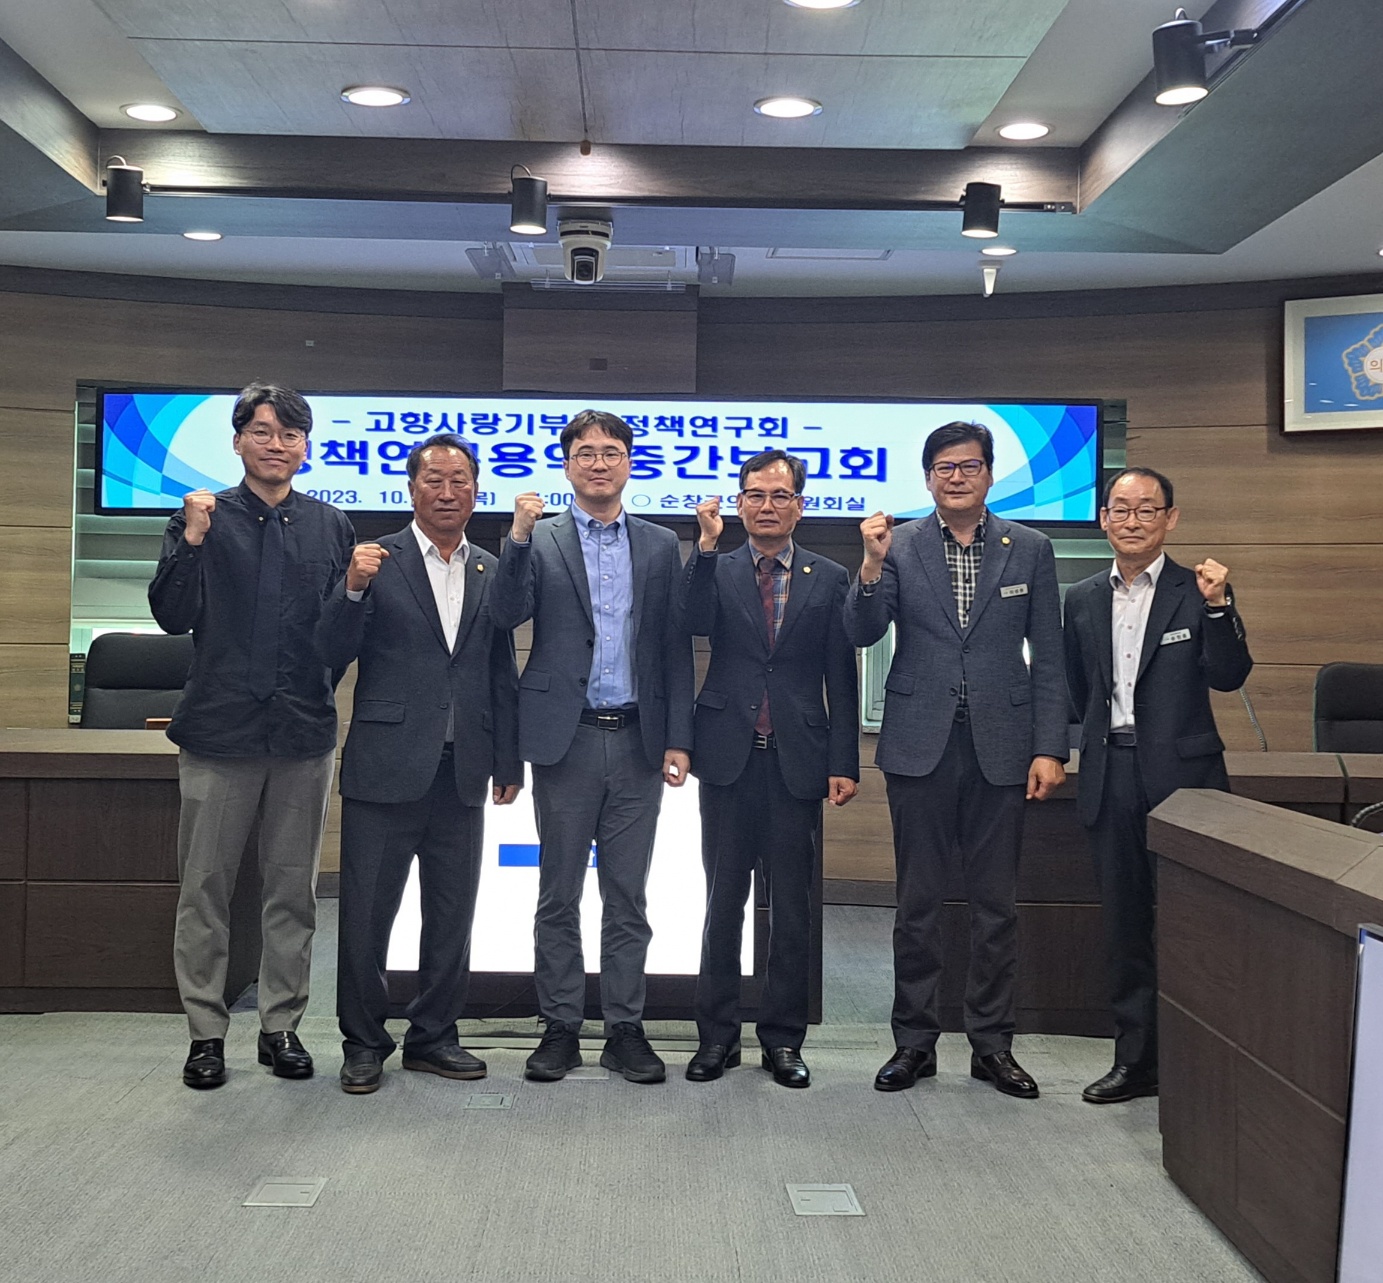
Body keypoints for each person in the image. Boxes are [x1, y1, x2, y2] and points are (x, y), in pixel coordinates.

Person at [843, 421, 1068, 1099]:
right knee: (918, 903)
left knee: (995, 905)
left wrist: (1049, 746)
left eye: (969, 466)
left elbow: (1049, 656)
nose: (957, 477)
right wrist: (870, 565)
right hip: (920, 743)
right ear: (928, 478)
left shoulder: (1029, 547)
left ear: (989, 474)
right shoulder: (900, 544)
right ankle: (913, 1041)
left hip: (1003, 746)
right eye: (944, 467)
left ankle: (991, 1044)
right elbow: (862, 631)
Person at [149, 381, 354, 1090]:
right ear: (238, 441)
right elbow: (171, 616)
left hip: (302, 732)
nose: (276, 445)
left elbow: (340, 633)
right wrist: (192, 540)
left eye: (290, 434)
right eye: (262, 432)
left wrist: (318, 682)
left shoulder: (332, 525)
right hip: (220, 730)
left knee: (292, 889)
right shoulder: (202, 517)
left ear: (306, 447)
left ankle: (280, 1026)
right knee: (205, 889)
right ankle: (205, 1034)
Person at [490, 409, 694, 1085]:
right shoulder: (540, 537)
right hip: (566, 738)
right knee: (558, 894)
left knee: (627, 896)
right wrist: (516, 538)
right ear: (568, 464)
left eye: (611, 452)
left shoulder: (659, 544)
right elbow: (505, 613)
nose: (599, 463)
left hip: (638, 739)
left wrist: (678, 737)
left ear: (628, 463)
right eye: (586, 453)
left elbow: (671, 645)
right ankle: (559, 1026)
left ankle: (625, 1029)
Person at [315, 435, 522, 1095]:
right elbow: (329, 651)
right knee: (366, 916)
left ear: (476, 491)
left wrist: (507, 759)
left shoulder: (490, 568)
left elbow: (499, 671)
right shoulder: (376, 560)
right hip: (386, 767)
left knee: (452, 914)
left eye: (460, 481)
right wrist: (351, 589)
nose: (447, 492)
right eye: (434, 480)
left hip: (464, 769)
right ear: (411, 489)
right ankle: (363, 1042)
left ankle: (434, 1036)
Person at [1064, 466, 1251, 1104]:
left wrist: (1220, 607)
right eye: (1121, 509)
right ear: (1103, 519)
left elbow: (1229, 675)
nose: (1133, 521)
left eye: (1147, 509)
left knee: (1192, 924)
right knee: (1125, 923)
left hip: (1184, 781)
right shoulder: (1082, 597)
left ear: (1170, 518)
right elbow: (1078, 690)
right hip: (1111, 773)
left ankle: (1202, 1063)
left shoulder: (1198, 589)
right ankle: (1136, 1060)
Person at [681, 450, 859, 1089]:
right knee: (722, 902)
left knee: (792, 909)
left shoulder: (829, 576)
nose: (766, 506)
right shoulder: (718, 566)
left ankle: (783, 1039)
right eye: (754, 495)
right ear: (739, 503)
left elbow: (842, 672)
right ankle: (716, 1038)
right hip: (726, 758)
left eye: (780, 495)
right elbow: (691, 623)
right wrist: (705, 547)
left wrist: (844, 760)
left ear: (799, 506)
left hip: (797, 759)